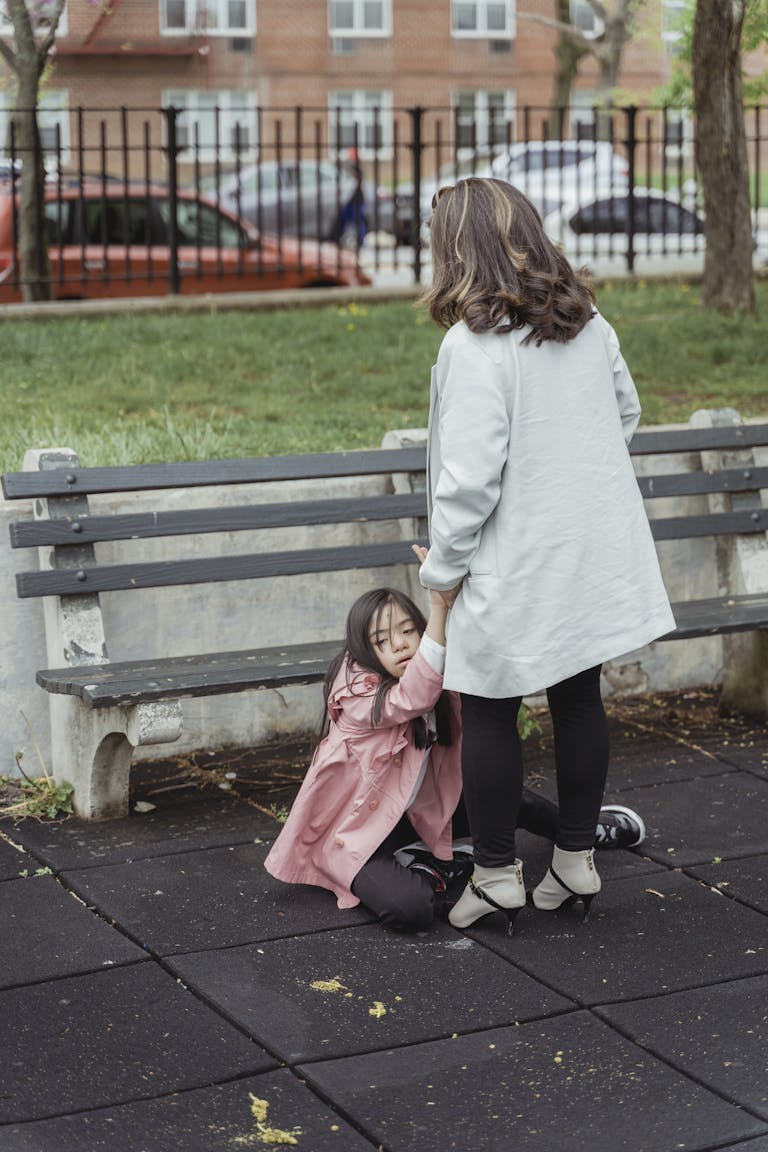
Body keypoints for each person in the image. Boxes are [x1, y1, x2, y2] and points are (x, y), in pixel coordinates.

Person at [417, 177, 675, 935]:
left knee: (489, 704)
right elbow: (623, 413)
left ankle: (497, 874)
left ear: (457, 249)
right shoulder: (587, 324)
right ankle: (573, 859)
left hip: (515, 554)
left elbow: (467, 481)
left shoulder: (474, 347)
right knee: (577, 694)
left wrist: (443, 572)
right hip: (585, 546)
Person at [264, 577, 649, 933]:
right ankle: (432, 866)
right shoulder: (359, 696)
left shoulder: (434, 674)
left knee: (504, 800)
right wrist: (439, 608)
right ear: (364, 651)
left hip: (415, 814)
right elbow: (412, 698)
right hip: (360, 834)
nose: (398, 644)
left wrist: (458, 583)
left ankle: (583, 832)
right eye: (381, 640)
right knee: (412, 910)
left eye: (407, 631)